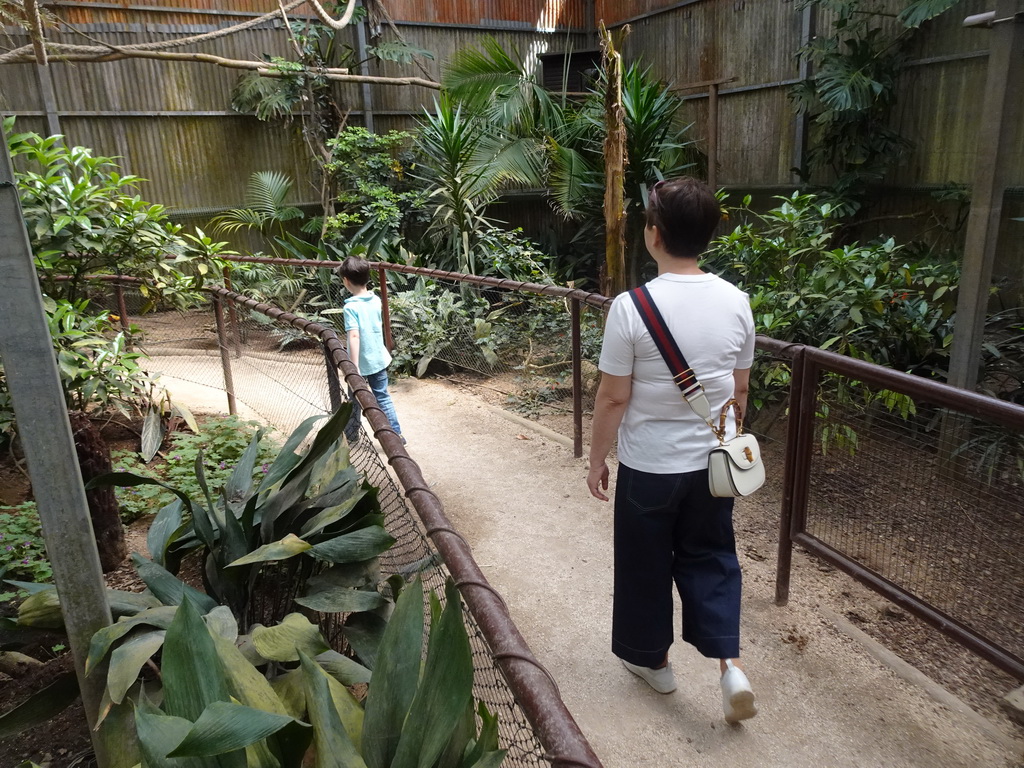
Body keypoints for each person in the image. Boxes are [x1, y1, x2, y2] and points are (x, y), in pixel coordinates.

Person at [586, 177, 757, 724]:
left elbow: (614, 397)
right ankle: (730, 666)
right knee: (711, 558)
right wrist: (724, 442)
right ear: (705, 236)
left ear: (653, 235)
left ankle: (654, 664)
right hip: (711, 467)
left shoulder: (630, 308)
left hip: (650, 468)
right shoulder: (736, 302)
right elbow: (740, 389)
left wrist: (596, 460)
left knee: (645, 565)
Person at [338, 256, 404, 444]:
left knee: (354, 397)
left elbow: (354, 336)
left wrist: (353, 366)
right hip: (379, 358)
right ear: (367, 278)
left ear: (346, 281)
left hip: (361, 362)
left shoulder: (351, 307)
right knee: (382, 397)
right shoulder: (376, 300)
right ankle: (396, 435)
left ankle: (351, 436)